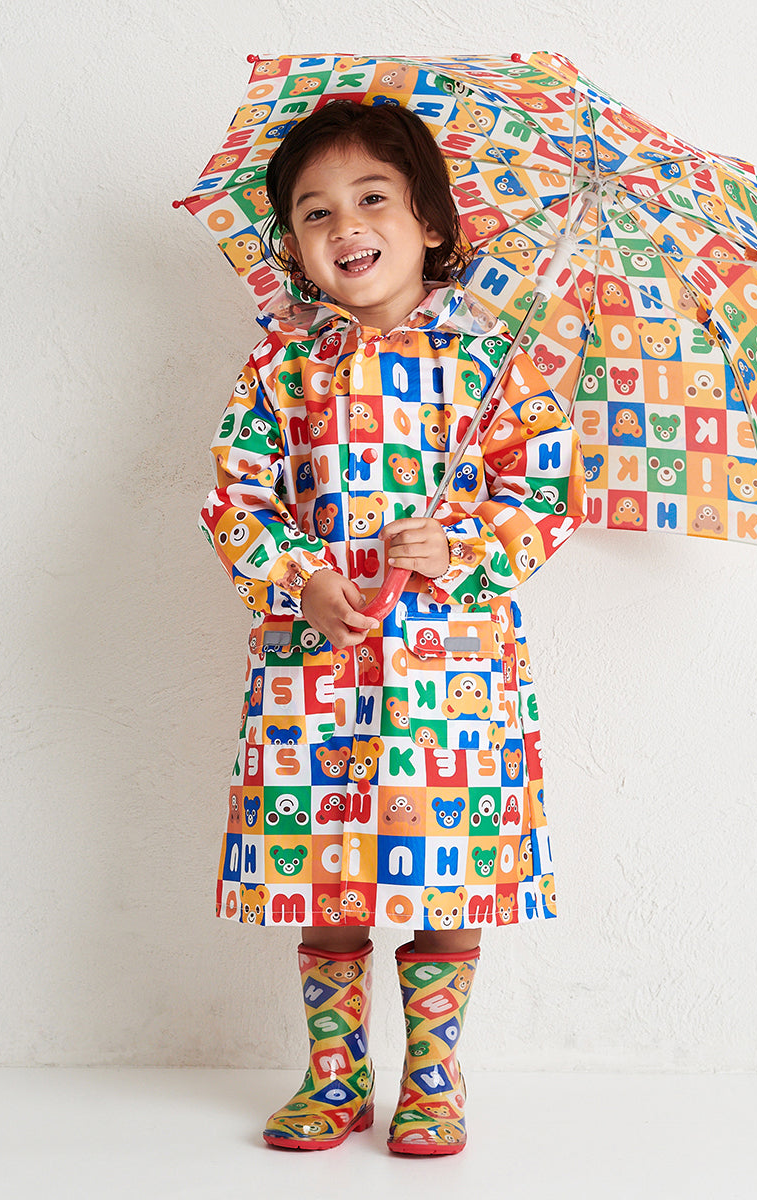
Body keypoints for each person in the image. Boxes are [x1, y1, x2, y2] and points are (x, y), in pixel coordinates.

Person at [197, 100, 585, 1156]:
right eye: (314, 212)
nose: (345, 225)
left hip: (449, 671)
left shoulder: (492, 365)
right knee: (323, 866)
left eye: (372, 198)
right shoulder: (280, 369)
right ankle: (334, 1076)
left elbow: (545, 495)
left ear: (430, 223)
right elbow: (236, 497)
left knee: (445, 870)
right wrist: (300, 578)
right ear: (294, 248)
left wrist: (461, 546)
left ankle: (433, 1078)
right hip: (317, 665)